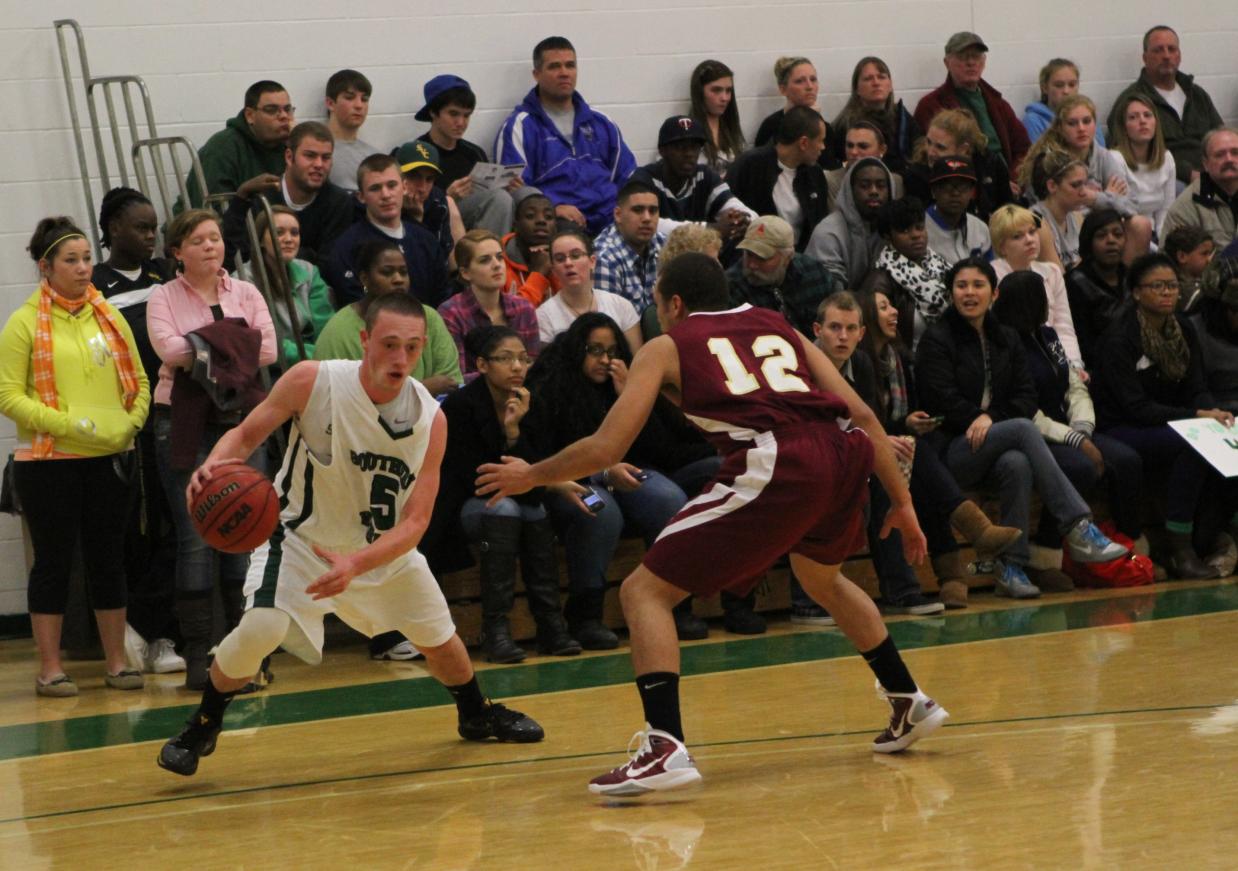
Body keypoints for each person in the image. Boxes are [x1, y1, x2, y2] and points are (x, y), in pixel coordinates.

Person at [477, 252, 948, 797]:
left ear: (673, 303)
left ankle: (664, 747)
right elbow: (864, 416)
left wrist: (531, 475)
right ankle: (908, 698)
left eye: (657, 304)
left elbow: (607, 447)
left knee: (642, 592)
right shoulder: (779, 324)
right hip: (844, 454)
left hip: (778, 459)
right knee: (821, 578)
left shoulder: (666, 345)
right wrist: (903, 503)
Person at [157, 293, 545, 777]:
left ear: (423, 346)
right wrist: (215, 465)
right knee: (262, 629)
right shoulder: (314, 381)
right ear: (365, 341)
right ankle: (204, 723)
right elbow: (248, 434)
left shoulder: (432, 420)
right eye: (388, 344)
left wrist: (357, 565)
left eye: (411, 346)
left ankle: (475, 712)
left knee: (439, 638)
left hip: (379, 551)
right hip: (299, 541)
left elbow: (416, 523)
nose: (400, 358)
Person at [915, 257, 1128, 599]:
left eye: (978, 285)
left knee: (1016, 462)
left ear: (994, 293)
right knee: (1022, 431)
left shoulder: (1007, 338)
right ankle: (1078, 526)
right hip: (952, 449)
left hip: (994, 441)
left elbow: (1025, 396)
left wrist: (991, 418)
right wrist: (977, 417)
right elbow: (940, 400)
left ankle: (1010, 567)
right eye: (961, 285)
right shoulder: (937, 339)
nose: (970, 293)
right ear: (951, 292)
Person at [0, 217, 151, 696]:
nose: (84, 268)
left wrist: (132, 423)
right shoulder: (24, 322)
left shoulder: (108, 314)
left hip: (110, 454)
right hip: (49, 462)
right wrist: (67, 424)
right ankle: (49, 669)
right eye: (72, 260)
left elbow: (142, 383)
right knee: (54, 563)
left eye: (87, 258)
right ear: (47, 267)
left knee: (109, 560)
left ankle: (116, 663)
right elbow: (6, 395)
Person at [523, 312, 723, 647]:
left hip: (628, 470)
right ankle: (585, 614)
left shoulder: (626, 382)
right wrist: (600, 471)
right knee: (600, 509)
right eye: (595, 350)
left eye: (613, 351)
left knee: (669, 499)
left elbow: (663, 449)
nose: (605, 360)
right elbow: (544, 454)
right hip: (573, 480)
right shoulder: (551, 384)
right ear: (577, 350)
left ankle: (675, 603)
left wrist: (630, 395)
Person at [147, 209, 277, 690]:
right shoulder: (164, 296)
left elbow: (269, 350)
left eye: (216, 238)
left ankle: (242, 654)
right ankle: (199, 655)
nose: (210, 246)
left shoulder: (245, 291)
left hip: (243, 420)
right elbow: (168, 351)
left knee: (245, 532)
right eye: (198, 240)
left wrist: (204, 345)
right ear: (177, 251)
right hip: (182, 422)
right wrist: (233, 341)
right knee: (195, 537)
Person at [856, 286, 1020, 608]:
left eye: (892, 306)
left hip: (894, 451)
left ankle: (952, 577)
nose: (894, 313)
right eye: (884, 307)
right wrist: (896, 434)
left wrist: (907, 424)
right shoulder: (860, 364)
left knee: (919, 465)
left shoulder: (897, 358)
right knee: (918, 461)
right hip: (866, 455)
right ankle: (968, 541)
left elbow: (890, 422)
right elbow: (863, 422)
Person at [992, 270, 1145, 586]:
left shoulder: (1047, 335)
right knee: (1081, 467)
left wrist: (1083, 429)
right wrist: (1075, 441)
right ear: (1026, 302)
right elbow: (1023, 409)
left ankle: (1131, 547)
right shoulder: (1006, 345)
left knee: (1127, 460)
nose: (1049, 304)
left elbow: (1073, 383)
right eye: (1041, 297)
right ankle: (1046, 556)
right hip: (1035, 433)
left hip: (1068, 428)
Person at [439, 326, 580, 663]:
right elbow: (466, 475)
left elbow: (538, 467)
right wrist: (520, 477)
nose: (517, 367)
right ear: (483, 365)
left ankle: (549, 624)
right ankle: (496, 629)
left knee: (533, 513)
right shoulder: (460, 406)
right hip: (462, 504)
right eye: (506, 359)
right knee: (505, 510)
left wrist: (514, 432)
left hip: (520, 501)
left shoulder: (532, 400)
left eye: (523, 358)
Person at [1091, 252, 1235, 578]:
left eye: (1172, 285)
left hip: (1172, 420)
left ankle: (1217, 535)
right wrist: (1194, 415)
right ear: (1137, 292)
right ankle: (1181, 549)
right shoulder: (1120, 338)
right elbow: (1135, 407)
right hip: (1122, 426)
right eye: (1157, 286)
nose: (1167, 292)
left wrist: (1211, 411)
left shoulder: (1183, 328)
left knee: (1228, 438)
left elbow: (1196, 385)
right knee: (1192, 446)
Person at [92, 188, 183, 674]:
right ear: (112, 230)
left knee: (177, 527)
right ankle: (135, 628)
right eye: (141, 227)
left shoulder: (166, 276)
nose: (151, 235)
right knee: (137, 531)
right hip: (124, 425)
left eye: (154, 227)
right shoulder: (94, 284)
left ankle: (159, 631)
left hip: (171, 418)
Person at [809, 292, 945, 617]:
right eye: (834, 327)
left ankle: (902, 591)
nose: (843, 336)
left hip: (848, 453)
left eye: (850, 328)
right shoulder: (800, 367)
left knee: (885, 479)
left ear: (861, 333)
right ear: (816, 330)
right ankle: (809, 601)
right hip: (807, 456)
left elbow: (871, 421)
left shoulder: (862, 363)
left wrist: (883, 443)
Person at [494, 36, 636, 234]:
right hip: (561, 222)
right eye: (554, 67)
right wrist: (552, 209)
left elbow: (628, 176)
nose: (564, 73)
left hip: (611, 217)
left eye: (570, 65)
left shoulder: (601, 122)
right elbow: (514, 189)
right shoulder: (520, 126)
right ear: (536, 74)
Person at [315, 240, 461, 397]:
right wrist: (423, 388)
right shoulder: (338, 332)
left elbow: (451, 383)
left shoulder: (429, 317)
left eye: (404, 272)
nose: (398, 279)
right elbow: (342, 399)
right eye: (387, 272)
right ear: (364, 279)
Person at [1016, 96, 1152, 261]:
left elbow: (1131, 206)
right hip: (1060, 225)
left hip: (1098, 223)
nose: (1081, 128)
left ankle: (1126, 283)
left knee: (1140, 224)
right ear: (1059, 127)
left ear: (1095, 124)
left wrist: (1095, 198)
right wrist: (1106, 198)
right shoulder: (1047, 160)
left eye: (1087, 121)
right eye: (1072, 123)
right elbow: (1051, 207)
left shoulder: (1103, 156)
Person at [222, 120, 355, 269]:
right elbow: (235, 259)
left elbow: (330, 266)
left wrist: (272, 253)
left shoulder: (339, 202)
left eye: (326, 157)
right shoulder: (260, 196)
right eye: (310, 156)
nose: (319, 164)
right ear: (289, 157)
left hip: (313, 289)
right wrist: (308, 254)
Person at [323, 154, 449, 308]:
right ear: (361, 197)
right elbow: (354, 305)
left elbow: (442, 300)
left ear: (404, 187)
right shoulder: (347, 247)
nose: (386, 195)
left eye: (392, 185)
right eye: (375, 188)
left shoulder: (426, 241)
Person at [1106, 26, 1224, 185]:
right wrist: (1188, 173)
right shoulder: (1131, 100)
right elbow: (1125, 151)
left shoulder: (1196, 94)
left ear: (1179, 55)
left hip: (1210, 171)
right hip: (1167, 178)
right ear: (1145, 57)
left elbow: (1220, 135)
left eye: (1171, 49)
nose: (1166, 55)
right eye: (1158, 50)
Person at [913, 32, 1031, 183]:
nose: (971, 62)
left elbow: (1023, 149)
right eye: (963, 57)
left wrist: (1012, 181)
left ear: (984, 61)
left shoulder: (999, 104)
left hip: (1007, 182)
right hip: (960, 186)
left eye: (976, 56)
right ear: (947, 62)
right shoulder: (931, 106)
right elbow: (926, 157)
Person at [417, 74, 520, 236]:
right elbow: (409, 208)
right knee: (499, 199)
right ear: (433, 112)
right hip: (438, 222)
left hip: (478, 220)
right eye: (453, 114)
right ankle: (488, 255)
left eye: (466, 115)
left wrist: (510, 187)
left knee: (526, 194)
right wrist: (447, 198)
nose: (461, 123)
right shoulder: (417, 153)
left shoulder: (474, 152)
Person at [629, 116, 753, 242]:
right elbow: (648, 224)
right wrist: (712, 229)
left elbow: (737, 207)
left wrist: (740, 220)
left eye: (694, 147)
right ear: (662, 151)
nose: (689, 154)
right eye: (680, 147)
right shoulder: (643, 179)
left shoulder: (705, 176)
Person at [237, 205, 334, 366]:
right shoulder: (243, 280)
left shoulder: (309, 271)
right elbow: (260, 342)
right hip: (271, 369)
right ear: (260, 239)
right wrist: (316, 356)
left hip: (316, 361)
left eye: (294, 233)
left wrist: (327, 353)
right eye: (279, 232)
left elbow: (325, 326)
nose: (289, 239)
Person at [990, 203, 1084, 368]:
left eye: (1032, 232)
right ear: (1002, 247)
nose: (1030, 240)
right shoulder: (991, 276)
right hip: (1013, 363)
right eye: (1017, 236)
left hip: (1052, 355)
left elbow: (1063, 326)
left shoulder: (1052, 272)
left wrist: (1073, 364)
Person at [439, 230, 541, 380]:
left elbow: (533, 366)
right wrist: (505, 373)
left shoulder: (523, 308)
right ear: (465, 273)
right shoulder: (451, 313)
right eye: (484, 260)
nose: (497, 265)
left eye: (500, 257)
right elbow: (456, 378)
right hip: (471, 399)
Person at [729, 107, 830, 253]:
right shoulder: (748, 166)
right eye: (821, 141)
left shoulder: (814, 174)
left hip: (800, 259)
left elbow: (818, 225)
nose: (823, 147)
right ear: (803, 143)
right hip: (753, 256)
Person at [182, 80, 294, 210]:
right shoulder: (222, 147)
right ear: (250, 115)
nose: (284, 116)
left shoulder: (292, 145)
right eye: (272, 110)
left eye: (288, 109)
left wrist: (297, 143)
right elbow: (214, 209)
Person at [726, 215, 837, 338]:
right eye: (748, 254)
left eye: (762, 258)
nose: (752, 265)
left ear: (787, 258)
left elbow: (838, 320)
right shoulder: (731, 286)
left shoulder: (815, 274)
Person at [536, 228, 642, 350]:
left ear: (592, 261)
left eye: (575, 255)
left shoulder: (621, 306)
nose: (568, 263)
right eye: (560, 259)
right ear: (553, 270)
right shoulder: (543, 317)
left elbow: (636, 363)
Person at [904, 108, 1013, 222]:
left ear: (964, 150)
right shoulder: (916, 176)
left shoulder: (991, 164)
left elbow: (1009, 209)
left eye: (940, 147)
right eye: (929, 142)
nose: (930, 152)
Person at [872, 196, 949, 349]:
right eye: (905, 230)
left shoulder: (940, 264)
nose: (916, 235)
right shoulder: (880, 281)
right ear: (888, 236)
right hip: (912, 365)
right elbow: (882, 341)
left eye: (920, 227)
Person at [805, 156, 893, 287]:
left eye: (881, 186)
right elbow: (831, 294)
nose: (874, 191)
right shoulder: (828, 233)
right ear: (850, 191)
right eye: (865, 185)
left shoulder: (895, 229)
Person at [830, 57, 922, 174]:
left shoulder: (902, 116)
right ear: (857, 88)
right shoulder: (845, 125)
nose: (876, 83)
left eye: (881, 77)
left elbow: (919, 149)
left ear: (890, 85)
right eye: (868, 79)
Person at [1065, 209, 1129, 365]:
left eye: (1118, 234)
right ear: (1089, 242)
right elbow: (1082, 343)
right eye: (1101, 236)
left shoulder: (1132, 277)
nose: (1111, 240)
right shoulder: (1074, 283)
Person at [1110, 93, 1177, 239]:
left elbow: (1165, 210)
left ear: (1155, 122)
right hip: (1128, 233)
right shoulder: (1115, 159)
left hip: (1155, 232)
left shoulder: (1167, 158)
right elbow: (1123, 213)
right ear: (1124, 127)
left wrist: (1163, 243)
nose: (1142, 121)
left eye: (1147, 115)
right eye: (1133, 117)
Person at [593, 180, 666, 311]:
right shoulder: (605, 258)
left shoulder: (663, 243)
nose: (647, 218)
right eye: (638, 210)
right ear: (618, 215)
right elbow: (609, 324)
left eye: (653, 210)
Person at [1162, 128, 1238, 251]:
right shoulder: (1185, 207)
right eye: (1219, 155)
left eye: (1235, 152)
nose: (1229, 159)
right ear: (1205, 164)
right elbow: (1172, 262)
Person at [753, 57, 834, 170]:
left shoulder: (825, 128)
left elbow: (831, 168)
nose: (809, 86)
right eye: (800, 81)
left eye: (813, 79)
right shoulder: (771, 125)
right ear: (783, 89)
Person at [1026, 151, 1090, 271]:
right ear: (1052, 186)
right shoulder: (1036, 221)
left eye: (1084, 184)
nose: (1083, 192)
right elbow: (1059, 279)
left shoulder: (1077, 216)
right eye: (1075, 185)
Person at [824, 121, 905, 212]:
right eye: (850, 146)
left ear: (882, 149)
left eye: (863, 146)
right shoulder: (831, 180)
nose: (854, 152)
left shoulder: (896, 182)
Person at [924, 157, 992, 264]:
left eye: (963, 187)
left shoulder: (980, 228)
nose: (955, 193)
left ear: (972, 192)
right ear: (933, 191)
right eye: (947, 187)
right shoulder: (921, 230)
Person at [1022, 59, 1105, 148]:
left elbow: (1101, 151)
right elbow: (1038, 157)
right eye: (1059, 85)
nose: (1066, 91)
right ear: (1045, 88)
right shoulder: (1034, 120)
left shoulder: (1086, 115)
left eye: (1072, 85)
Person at [500, 188, 559, 305]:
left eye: (548, 217)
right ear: (515, 225)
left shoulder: (563, 260)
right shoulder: (497, 262)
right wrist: (539, 274)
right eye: (530, 216)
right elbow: (512, 318)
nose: (541, 221)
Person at [688, 60, 746, 176]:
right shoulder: (686, 132)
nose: (724, 98)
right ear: (700, 92)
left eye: (728, 91)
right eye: (716, 90)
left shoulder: (733, 132)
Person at [324, 69, 377, 194]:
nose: (359, 105)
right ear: (330, 103)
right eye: (349, 97)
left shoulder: (374, 156)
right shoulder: (314, 152)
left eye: (364, 99)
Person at [1163, 225, 1216, 312]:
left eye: (1210, 254)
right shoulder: (1179, 289)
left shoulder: (1202, 279)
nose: (1209, 260)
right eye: (1204, 253)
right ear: (1182, 256)